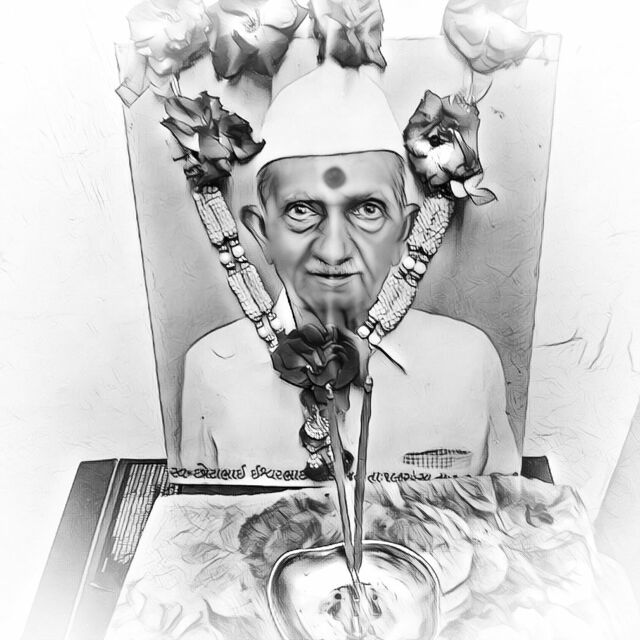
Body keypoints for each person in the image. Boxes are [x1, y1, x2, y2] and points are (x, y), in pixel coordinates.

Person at [179, 62, 520, 483]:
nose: (334, 250)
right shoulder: (212, 367)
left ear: (403, 232)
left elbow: (502, 510)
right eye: (301, 211)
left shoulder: (468, 362)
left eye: (367, 210)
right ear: (262, 233)